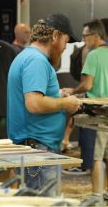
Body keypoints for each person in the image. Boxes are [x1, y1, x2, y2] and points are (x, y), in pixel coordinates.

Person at [7, 14, 82, 191]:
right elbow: (33, 104)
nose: (65, 48)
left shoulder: (29, 57)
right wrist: (65, 104)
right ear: (55, 35)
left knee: (35, 204)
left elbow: (35, 96)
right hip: (38, 147)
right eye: (66, 41)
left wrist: (56, 95)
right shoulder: (37, 61)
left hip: (35, 144)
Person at [64, 20, 108, 204]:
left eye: (85, 36)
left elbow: (88, 84)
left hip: (97, 112)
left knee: (97, 157)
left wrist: (72, 91)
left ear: (96, 36)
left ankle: (96, 195)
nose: (83, 40)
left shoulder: (93, 54)